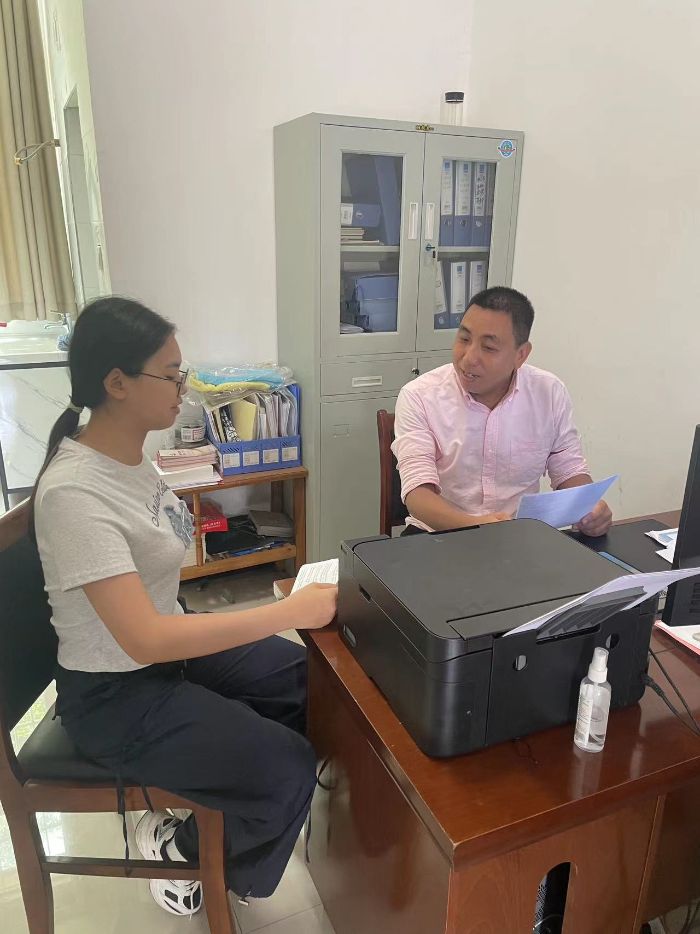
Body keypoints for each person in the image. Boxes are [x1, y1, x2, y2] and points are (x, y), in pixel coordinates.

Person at [31, 297, 337, 917]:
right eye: (172, 375)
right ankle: (184, 851)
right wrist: (288, 611)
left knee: (314, 685)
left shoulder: (130, 456)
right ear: (117, 383)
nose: (184, 388)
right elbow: (144, 639)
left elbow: (161, 607)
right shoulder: (74, 494)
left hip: (164, 653)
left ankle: (240, 810)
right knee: (285, 767)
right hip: (113, 695)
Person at [392, 286, 612, 537]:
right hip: (437, 535)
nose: (469, 358)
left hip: (517, 537)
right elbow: (417, 494)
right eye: (464, 339)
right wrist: (476, 527)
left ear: (521, 355)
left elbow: (569, 469)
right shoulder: (419, 395)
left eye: (488, 347)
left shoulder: (549, 392)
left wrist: (589, 507)